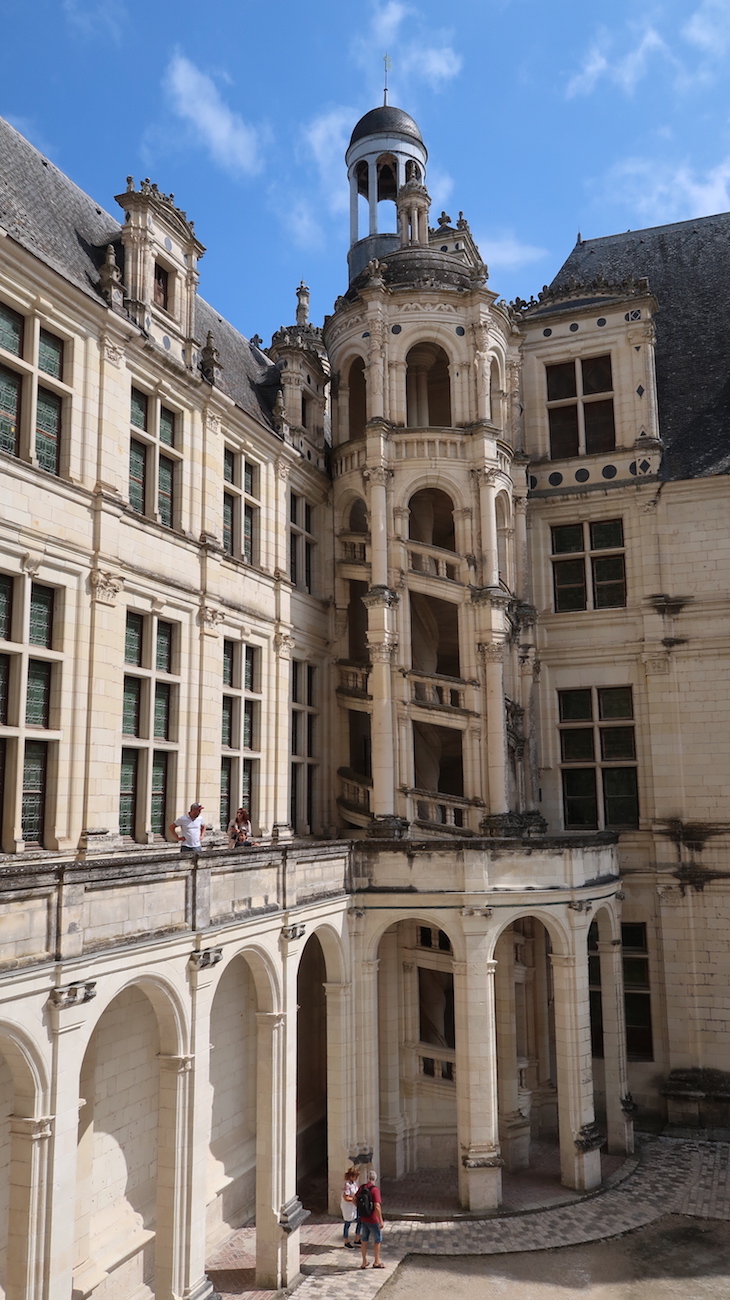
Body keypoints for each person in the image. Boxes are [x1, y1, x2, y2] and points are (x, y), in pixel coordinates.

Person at [356, 1169, 384, 1269]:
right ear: (375, 1179)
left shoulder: (362, 1187)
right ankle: (376, 1261)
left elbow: (355, 1199)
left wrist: (360, 1208)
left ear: (368, 1178)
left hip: (363, 1218)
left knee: (364, 1239)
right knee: (377, 1240)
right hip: (373, 1219)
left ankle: (364, 1261)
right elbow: (377, 1206)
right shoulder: (375, 1190)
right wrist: (380, 1219)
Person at [340, 1166, 360, 1247]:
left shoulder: (354, 1183)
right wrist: (353, 1199)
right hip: (348, 1207)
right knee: (347, 1223)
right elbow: (346, 1197)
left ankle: (357, 1239)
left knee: (360, 1221)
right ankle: (346, 1241)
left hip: (354, 1206)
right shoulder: (347, 1184)